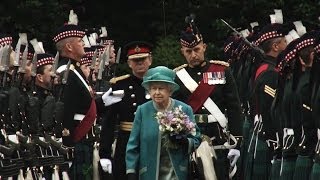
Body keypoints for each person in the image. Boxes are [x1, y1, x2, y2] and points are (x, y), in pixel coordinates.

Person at [53, 10, 123, 180]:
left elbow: (83, 107)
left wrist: (104, 101)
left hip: (86, 140)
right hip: (77, 141)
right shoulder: (67, 73)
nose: (84, 44)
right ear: (69, 47)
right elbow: (65, 111)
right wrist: (68, 147)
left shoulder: (75, 71)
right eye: (79, 41)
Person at [173, 15, 243, 179]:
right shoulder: (178, 76)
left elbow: (234, 107)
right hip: (190, 136)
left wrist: (237, 142)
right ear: (182, 51)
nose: (193, 55)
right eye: (189, 51)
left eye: (197, 49)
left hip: (217, 135)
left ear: (204, 47)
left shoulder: (221, 70)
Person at [126, 66, 202, 180]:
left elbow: (196, 139)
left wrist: (184, 142)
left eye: (161, 88)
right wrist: (131, 171)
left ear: (170, 90)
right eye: (153, 88)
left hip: (177, 173)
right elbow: (133, 145)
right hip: (149, 173)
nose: (156, 92)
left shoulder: (185, 109)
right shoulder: (142, 110)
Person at [99, 41, 153, 179]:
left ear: (150, 60)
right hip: (127, 143)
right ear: (129, 63)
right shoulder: (120, 87)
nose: (139, 63)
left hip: (153, 141)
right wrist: (104, 153)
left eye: (143, 59)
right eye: (135, 60)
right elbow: (108, 121)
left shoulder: (159, 84)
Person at [246, 23, 287, 180]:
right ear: (276, 46)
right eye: (284, 42)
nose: (287, 45)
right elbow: (269, 108)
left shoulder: (266, 66)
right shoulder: (270, 72)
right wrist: (274, 138)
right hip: (268, 134)